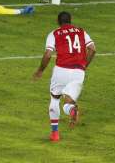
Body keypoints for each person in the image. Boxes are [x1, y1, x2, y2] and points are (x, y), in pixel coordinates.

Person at [33, 11, 96, 142]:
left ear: (58, 22)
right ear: (70, 20)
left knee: (55, 98)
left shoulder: (54, 33)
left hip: (61, 70)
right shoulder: (81, 31)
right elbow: (92, 48)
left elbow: (48, 54)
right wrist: (84, 65)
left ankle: (55, 134)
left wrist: (40, 70)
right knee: (68, 101)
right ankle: (72, 110)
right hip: (78, 71)